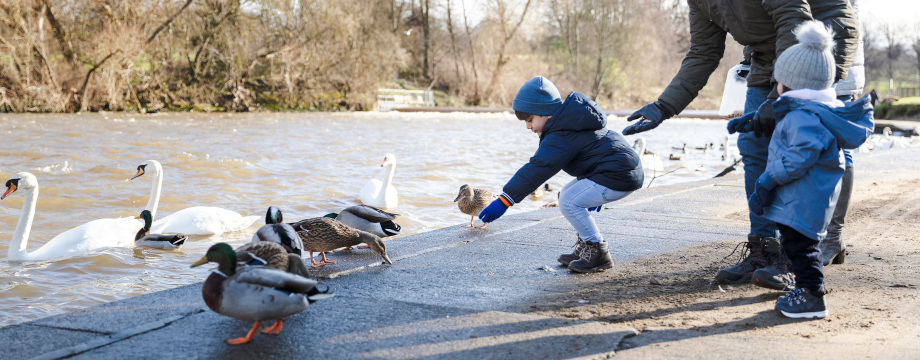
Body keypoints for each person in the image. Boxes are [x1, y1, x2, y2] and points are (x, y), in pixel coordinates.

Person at [619, 0, 860, 286]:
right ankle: (765, 248)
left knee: (803, 144)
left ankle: (808, 250)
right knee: (753, 141)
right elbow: (703, 52)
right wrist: (664, 106)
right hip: (771, 51)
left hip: (820, 38)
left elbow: (794, 20)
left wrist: (778, 99)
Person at [747, 21, 872, 318]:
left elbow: (798, 158)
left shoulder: (803, 117)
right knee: (798, 246)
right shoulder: (807, 111)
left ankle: (812, 297)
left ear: (788, 84)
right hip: (804, 197)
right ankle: (804, 288)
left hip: (804, 199)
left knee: (802, 250)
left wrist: (766, 180)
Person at [477, 76, 644, 273]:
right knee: (566, 193)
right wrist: (595, 178)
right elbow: (594, 151)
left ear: (545, 113)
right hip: (618, 170)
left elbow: (538, 168)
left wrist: (506, 200)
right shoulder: (573, 121)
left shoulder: (561, 134)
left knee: (569, 201)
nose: (528, 126)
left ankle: (597, 252)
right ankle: (586, 248)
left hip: (618, 175)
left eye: (530, 120)